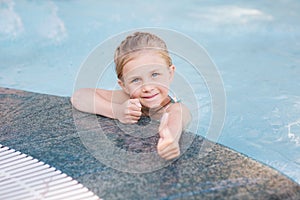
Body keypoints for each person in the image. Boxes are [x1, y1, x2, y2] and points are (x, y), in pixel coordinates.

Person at [71, 32, 191, 160]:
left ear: (170, 73)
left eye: (155, 75)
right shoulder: (127, 98)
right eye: (136, 80)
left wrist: (169, 138)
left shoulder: (174, 108)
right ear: (124, 85)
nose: (147, 88)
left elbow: (177, 118)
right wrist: (116, 111)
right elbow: (79, 97)